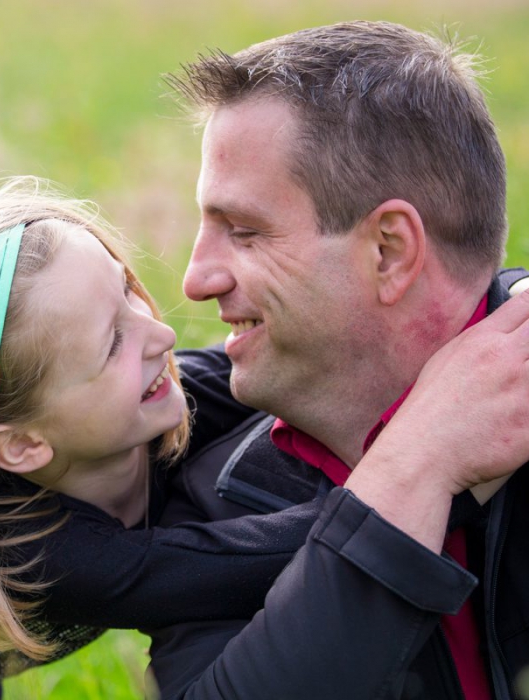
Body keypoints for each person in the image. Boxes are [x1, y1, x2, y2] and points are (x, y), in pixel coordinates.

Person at [0, 176, 331, 699]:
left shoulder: (139, 395)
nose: (163, 336)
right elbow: (292, 552)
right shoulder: (34, 552)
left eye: (128, 291)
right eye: (113, 342)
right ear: (21, 446)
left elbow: (297, 373)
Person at [147, 20, 529, 700]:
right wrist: (417, 464)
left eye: (245, 232)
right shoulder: (215, 505)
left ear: (389, 250)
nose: (196, 279)